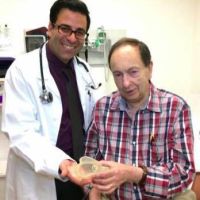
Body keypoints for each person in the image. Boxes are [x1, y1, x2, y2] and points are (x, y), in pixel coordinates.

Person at [1, 0, 100, 199]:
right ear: (50, 28)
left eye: (79, 32)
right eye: (65, 29)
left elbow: (91, 126)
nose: (72, 38)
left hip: (79, 178)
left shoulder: (86, 72)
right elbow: (21, 133)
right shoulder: (22, 70)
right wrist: (64, 163)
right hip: (39, 177)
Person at [84, 37, 196, 199]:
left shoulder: (175, 108)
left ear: (149, 68)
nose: (126, 83)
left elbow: (184, 174)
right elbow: (90, 164)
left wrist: (136, 174)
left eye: (133, 72)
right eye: (118, 74)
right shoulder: (103, 108)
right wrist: (92, 190)